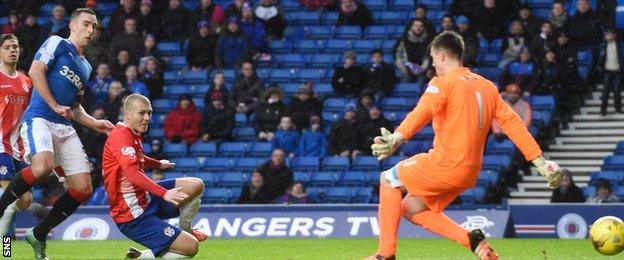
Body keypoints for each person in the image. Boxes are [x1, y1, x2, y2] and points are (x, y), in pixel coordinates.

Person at [366, 31, 562, 260]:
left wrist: (397, 138)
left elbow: (422, 112)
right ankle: (470, 238)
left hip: (446, 164)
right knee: (410, 208)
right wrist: (540, 162)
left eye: (433, 58)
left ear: (441, 57)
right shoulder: (487, 87)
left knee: (389, 180)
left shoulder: (443, 83)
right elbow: (513, 124)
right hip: (469, 172)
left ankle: (385, 255)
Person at [0, 9, 115, 259]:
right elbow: (36, 70)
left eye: (94, 27)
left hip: (62, 127)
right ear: (72, 25)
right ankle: (3, 229)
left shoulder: (85, 66)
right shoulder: (57, 42)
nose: (90, 30)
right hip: (39, 118)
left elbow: (74, 107)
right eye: (86, 24)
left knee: (83, 188)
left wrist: (94, 122)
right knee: (41, 167)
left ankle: (38, 234)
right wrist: (53, 105)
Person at [101, 94, 207, 259]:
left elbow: (139, 159)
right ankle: (142, 257)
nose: (147, 118)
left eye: (149, 113)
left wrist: (158, 164)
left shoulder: (131, 133)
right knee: (191, 247)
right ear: (127, 114)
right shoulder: (121, 137)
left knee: (196, 185)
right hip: (132, 216)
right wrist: (165, 193)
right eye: (142, 113)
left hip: (146, 199)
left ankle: (186, 229)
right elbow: (132, 173)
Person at [0, 34, 35, 236]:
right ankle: (6, 252)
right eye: (7, 47)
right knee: (10, 201)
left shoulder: (26, 82)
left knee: (26, 200)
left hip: (18, 149)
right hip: (0, 146)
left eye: (15, 46)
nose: (13, 50)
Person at [394, 19, 432, 84]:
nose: (418, 28)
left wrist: (422, 69)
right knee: (404, 87)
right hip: (406, 69)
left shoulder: (428, 41)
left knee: (420, 86)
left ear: (423, 28)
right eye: (416, 25)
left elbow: (428, 57)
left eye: (420, 26)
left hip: (422, 70)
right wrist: (402, 67)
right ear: (411, 27)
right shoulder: (403, 40)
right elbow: (397, 55)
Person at [598, 28, 624, 116]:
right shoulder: (603, 45)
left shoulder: (621, 45)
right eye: (606, 35)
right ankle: (603, 109)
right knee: (605, 92)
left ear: (614, 36)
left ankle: (618, 108)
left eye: (609, 34)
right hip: (607, 71)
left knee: (617, 91)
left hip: (617, 72)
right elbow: (600, 59)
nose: (607, 36)